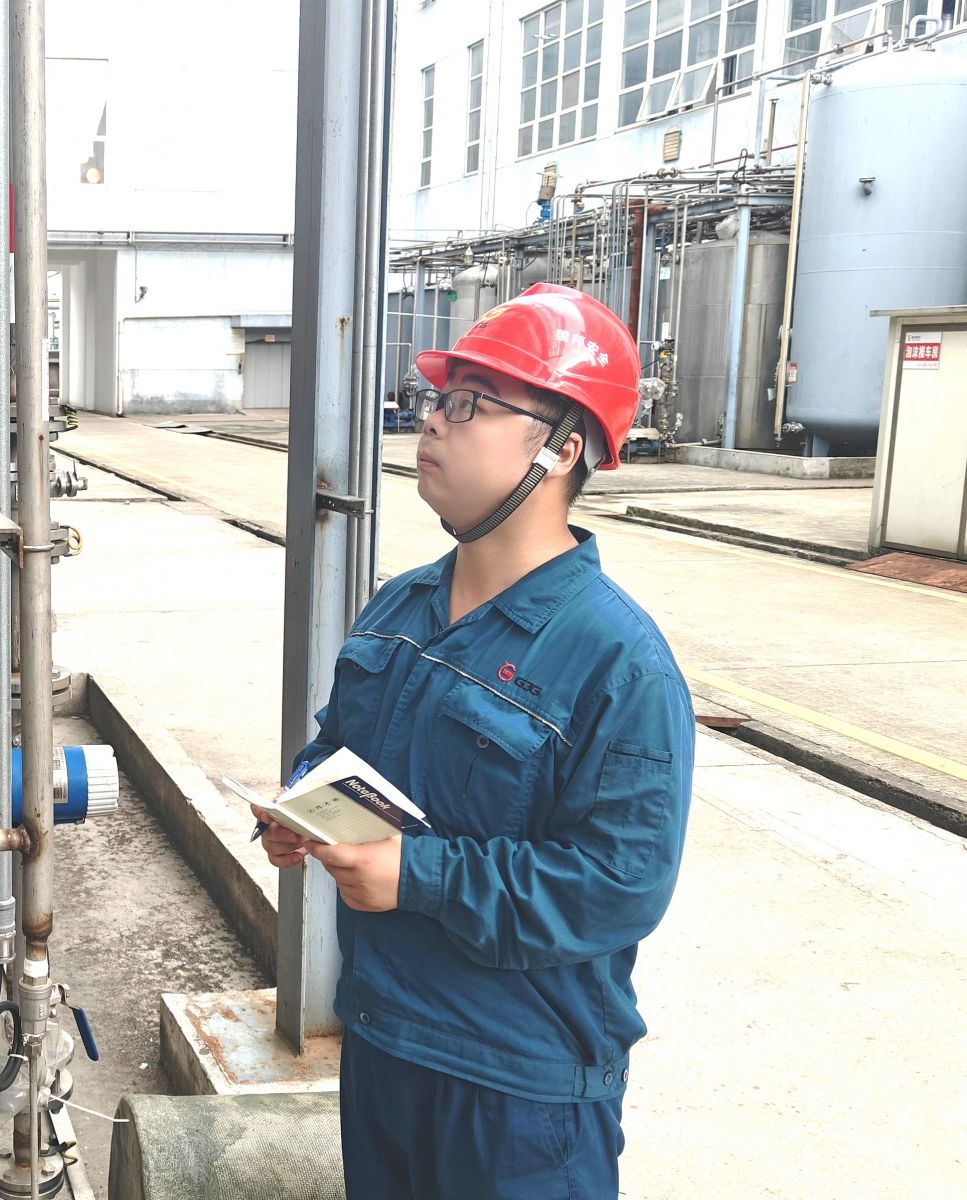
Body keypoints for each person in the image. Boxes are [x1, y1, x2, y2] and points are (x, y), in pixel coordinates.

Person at [256, 283, 693, 1199]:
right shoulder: (401, 605)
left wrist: (414, 875)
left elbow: (617, 887)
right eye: (436, 399)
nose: (432, 422)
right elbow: (337, 747)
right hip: (383, 1040)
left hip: (517, 1089)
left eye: (471, 404)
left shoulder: (618, 662)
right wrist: (303, 809)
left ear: (561, 448)